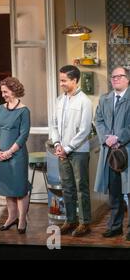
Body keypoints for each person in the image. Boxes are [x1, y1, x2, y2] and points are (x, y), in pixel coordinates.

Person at [50, 65, 93, 237]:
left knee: (81, 187)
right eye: (60, 80)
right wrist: (57, 144)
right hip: (62, 151)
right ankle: (70, 220)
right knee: (67, 187)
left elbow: (84, 130)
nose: (61, 84)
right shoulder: (60, 100)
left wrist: (67, 148)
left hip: (79, 151)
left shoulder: (85, 101)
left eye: (64, 80)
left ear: (74, 80)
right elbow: (53, 124)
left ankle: (85, 223)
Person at [94, 66, 130, 240]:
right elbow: (98, 120)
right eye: (113, 76)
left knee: (129, 192)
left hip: (127, 151)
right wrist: (106, 138)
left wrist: (118, 138)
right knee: (114, 192)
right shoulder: (105, 99)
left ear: (127, 79)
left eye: (119, 76)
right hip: (110, 153)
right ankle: (115, 227)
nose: (115, 79)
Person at [0, 77, 31, 234]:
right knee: (7, 188)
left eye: (5, 92)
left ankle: (22, 219)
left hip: (17, 156)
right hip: (1, 155)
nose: (3, 95)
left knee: (20, 188)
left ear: (14, 91)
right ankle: (11, 217)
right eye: (2, 92)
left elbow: (23, 135)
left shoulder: (24, 111)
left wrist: (9, 152)